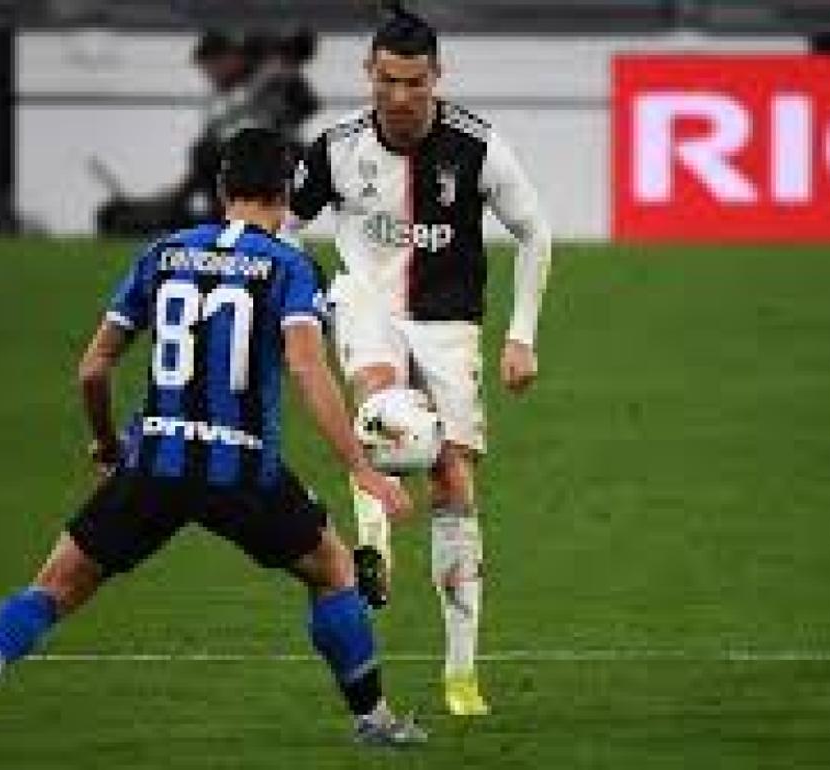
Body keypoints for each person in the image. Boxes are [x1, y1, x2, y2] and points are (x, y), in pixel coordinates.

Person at [0, 128, 427, 762]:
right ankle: (374, 719)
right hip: (241, 470)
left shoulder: (164, 253)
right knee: (333, 569)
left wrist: (106, 444)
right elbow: (308, 369)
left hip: (152, 463)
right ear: (286, 193)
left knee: (53, 586)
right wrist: (361, 467)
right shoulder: (290, 267)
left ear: (222, 188)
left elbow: (93, 369)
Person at [285, 5, 552, 715]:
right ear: (367, 73)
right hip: (366, 303)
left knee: (452, 479)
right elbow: (283, 229)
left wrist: (521, 336)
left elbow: (535, 230)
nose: (399, 97)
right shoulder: (336, 148)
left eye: (414, 82)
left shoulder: (477, 147)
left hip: (449, 325)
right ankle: (374, 547)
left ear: (437, 76)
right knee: (379, 406)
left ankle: (461, 673)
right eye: (387, 81)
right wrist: (303, 294)